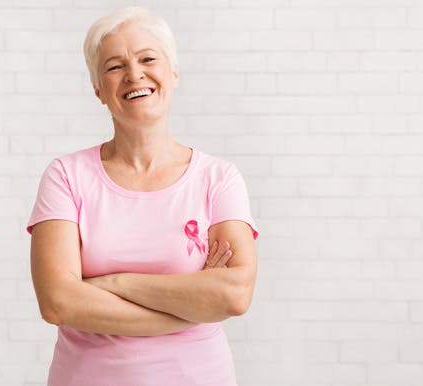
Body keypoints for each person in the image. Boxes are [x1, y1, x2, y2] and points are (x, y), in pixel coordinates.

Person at [26, 6, 259, 386]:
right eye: (114, 66)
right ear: (98, 89)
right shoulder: (66, 177)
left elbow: (234, 294)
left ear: (173, 74)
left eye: (148, 58)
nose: (134, 74)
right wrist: (191, 307)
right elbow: (58, 301)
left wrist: (113, 284)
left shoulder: (219, 179)